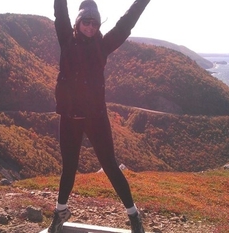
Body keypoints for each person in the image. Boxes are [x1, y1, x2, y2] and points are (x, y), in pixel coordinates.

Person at [49, 0, 150, 232]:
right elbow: (59, 11)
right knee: (69, 168)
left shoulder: (101, 46)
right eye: (86, 22)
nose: (90, 27)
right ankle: (60, 211)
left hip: (95, 117)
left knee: (110, 165)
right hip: (70, 117)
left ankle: (134, 216)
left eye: (94, 23)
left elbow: (126, 24)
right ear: (78, 22)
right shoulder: (66, 38)